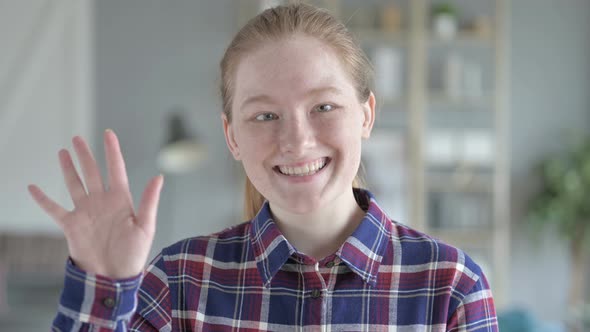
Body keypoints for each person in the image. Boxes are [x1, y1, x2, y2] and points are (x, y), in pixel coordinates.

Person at [29, 3, 497, 331]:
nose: (296, 139)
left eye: (324, 107)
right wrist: (104, 284)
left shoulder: (452, 286)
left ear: (366, 115)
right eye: (265, 115)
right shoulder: (180, 280)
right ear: (232, 136)